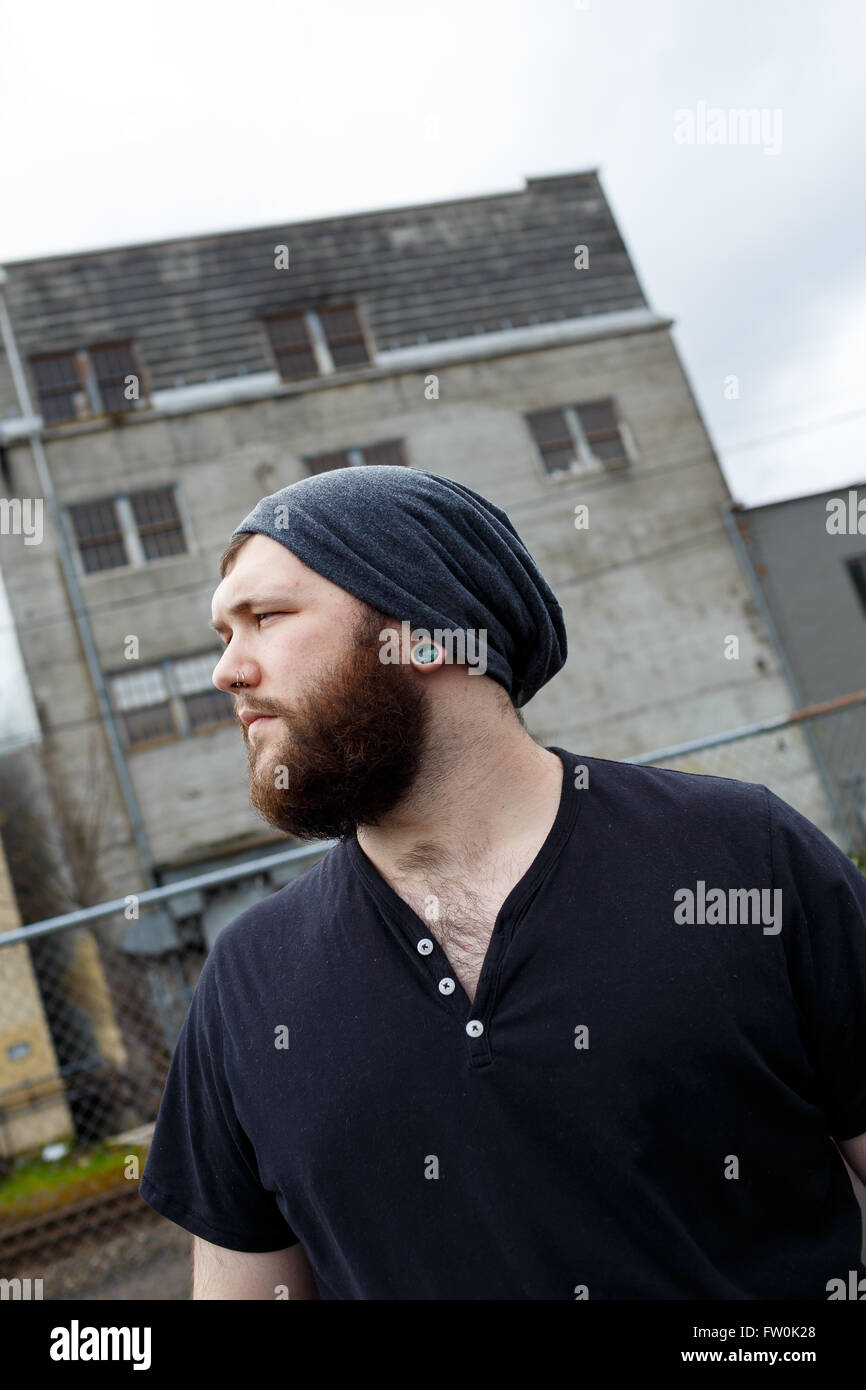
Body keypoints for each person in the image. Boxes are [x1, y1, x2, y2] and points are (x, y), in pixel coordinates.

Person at [140, 465, 866, 1300]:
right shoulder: (246, 982)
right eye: (222, 636)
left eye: (265, 617)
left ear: (427, 632)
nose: (227, 672)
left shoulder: (744, 859)